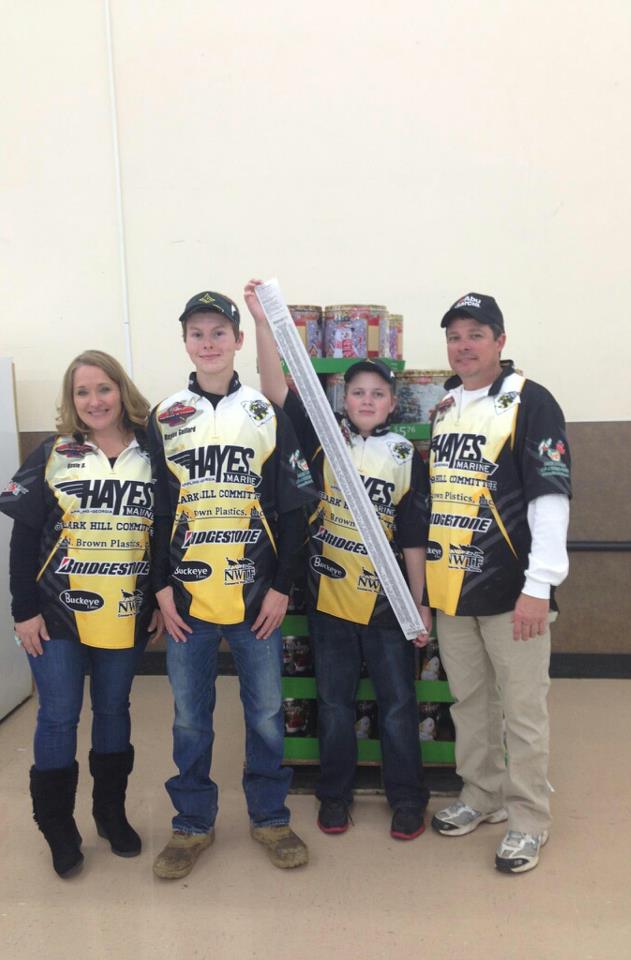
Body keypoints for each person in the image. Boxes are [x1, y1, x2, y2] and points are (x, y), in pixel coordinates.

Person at [245, 279, 432, 841]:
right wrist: (261, 320)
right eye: (357, 393)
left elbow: (415, 536)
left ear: (392, 404)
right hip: (329, 601)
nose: (367, 401)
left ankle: (406, 798)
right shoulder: (321, 438)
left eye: (378, 393)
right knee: (333, 704)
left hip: (389, 606)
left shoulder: (405, 454)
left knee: (399, 706)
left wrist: (418, 604)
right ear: (341, 400)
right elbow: (276, 386)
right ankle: (334, 795)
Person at [149, 290, 316, 879]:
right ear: (186, 342)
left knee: (267, 712)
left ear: (239, 340)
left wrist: (282, 588)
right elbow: (153, 509)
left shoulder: (266, 413)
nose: (209, 343)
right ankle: (192, 824)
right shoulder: (165, 414)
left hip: (256, 600)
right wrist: (161, 590)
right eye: (198, 333)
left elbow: (294, 508)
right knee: (190, 716)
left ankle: (270, 815)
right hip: (186, 602)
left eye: (220, 332)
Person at [0, 350, 162, 878]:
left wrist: (159, 595)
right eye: (82, 392)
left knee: (114, 711)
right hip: (56, 612)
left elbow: (163, 536)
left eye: (103, 389)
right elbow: (22, 540)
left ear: (122, 392)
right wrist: (23, 612)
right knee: (59, 715)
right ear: (71, 401)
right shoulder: (52, 453)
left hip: (126, 610)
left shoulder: (154, 452)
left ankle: (110, 813)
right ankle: (58, 827)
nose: (94, 401)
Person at [426, 292, 571, 874]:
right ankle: (481, 796)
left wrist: (540, 585)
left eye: (476, 334)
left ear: (500, 341)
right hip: (453, 590)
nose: (464, 346)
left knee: (523, 710)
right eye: (455, 336)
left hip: (515, 593)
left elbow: (551, 495)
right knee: (470, 702)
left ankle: (529, 819)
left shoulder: (532, 401)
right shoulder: (446, 407)